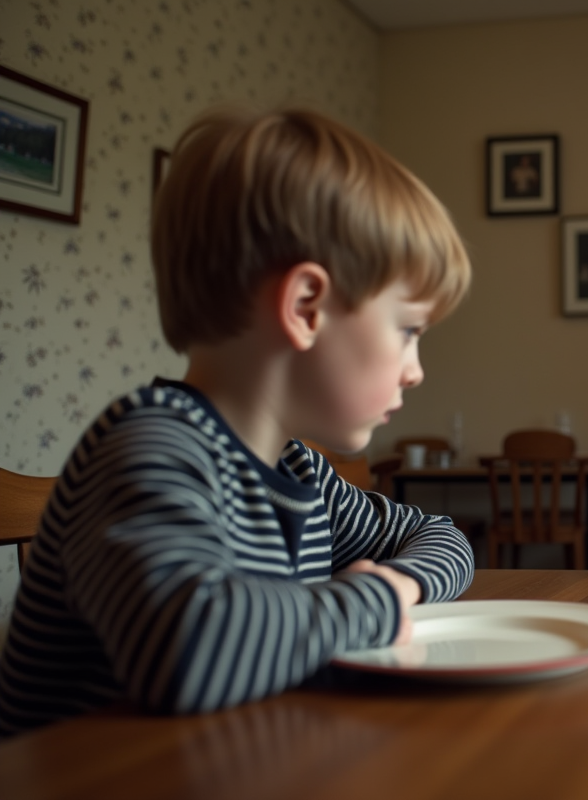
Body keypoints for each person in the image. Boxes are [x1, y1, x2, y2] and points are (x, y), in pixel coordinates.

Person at [0, 106, 474, 737]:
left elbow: (444, 537)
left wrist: (399, 586)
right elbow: (189, 650)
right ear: (306, 307)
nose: (415, 371)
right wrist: (371, 604)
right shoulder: (148, 449)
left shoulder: (299, 470)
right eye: (408, 330)